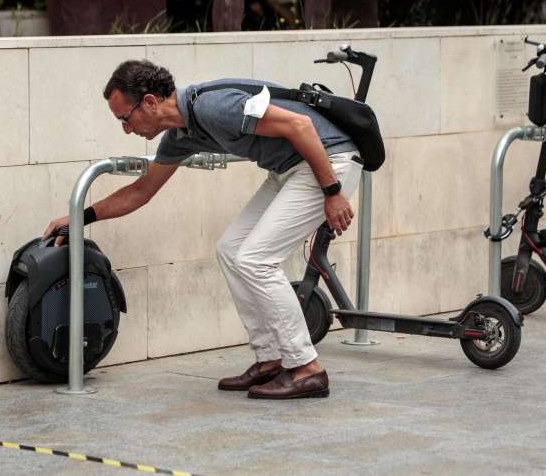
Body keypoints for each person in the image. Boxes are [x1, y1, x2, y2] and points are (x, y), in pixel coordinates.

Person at [43, 60, 363, 399]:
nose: (126, 129)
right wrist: (83, 216)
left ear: (150, 102)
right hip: (289, 169)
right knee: (230, 249)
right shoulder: (181, 135)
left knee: (256, 259)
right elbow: (141, 191)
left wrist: (333, 192)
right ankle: (271, 359)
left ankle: (306, 368)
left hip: (329, 161)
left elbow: (300, 126)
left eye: (126, 118)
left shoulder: (212, 107)